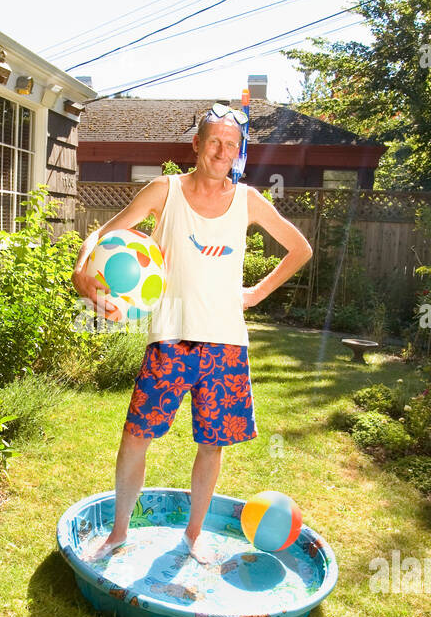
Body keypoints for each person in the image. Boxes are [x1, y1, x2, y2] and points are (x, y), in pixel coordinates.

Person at [71, 105, 313, 564]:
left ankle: (194, 535)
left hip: (226, 342)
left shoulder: (249, 200)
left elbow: (300, 248)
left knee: (212, 443)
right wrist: (83, 270)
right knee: (135, 436)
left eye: (231, 144)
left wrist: (257, 294)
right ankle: (119, 532)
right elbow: (104, 231)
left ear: (239, 153)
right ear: (197, 145)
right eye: (214, 141)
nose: (222, 151)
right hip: (170, 336)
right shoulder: (165, 190)